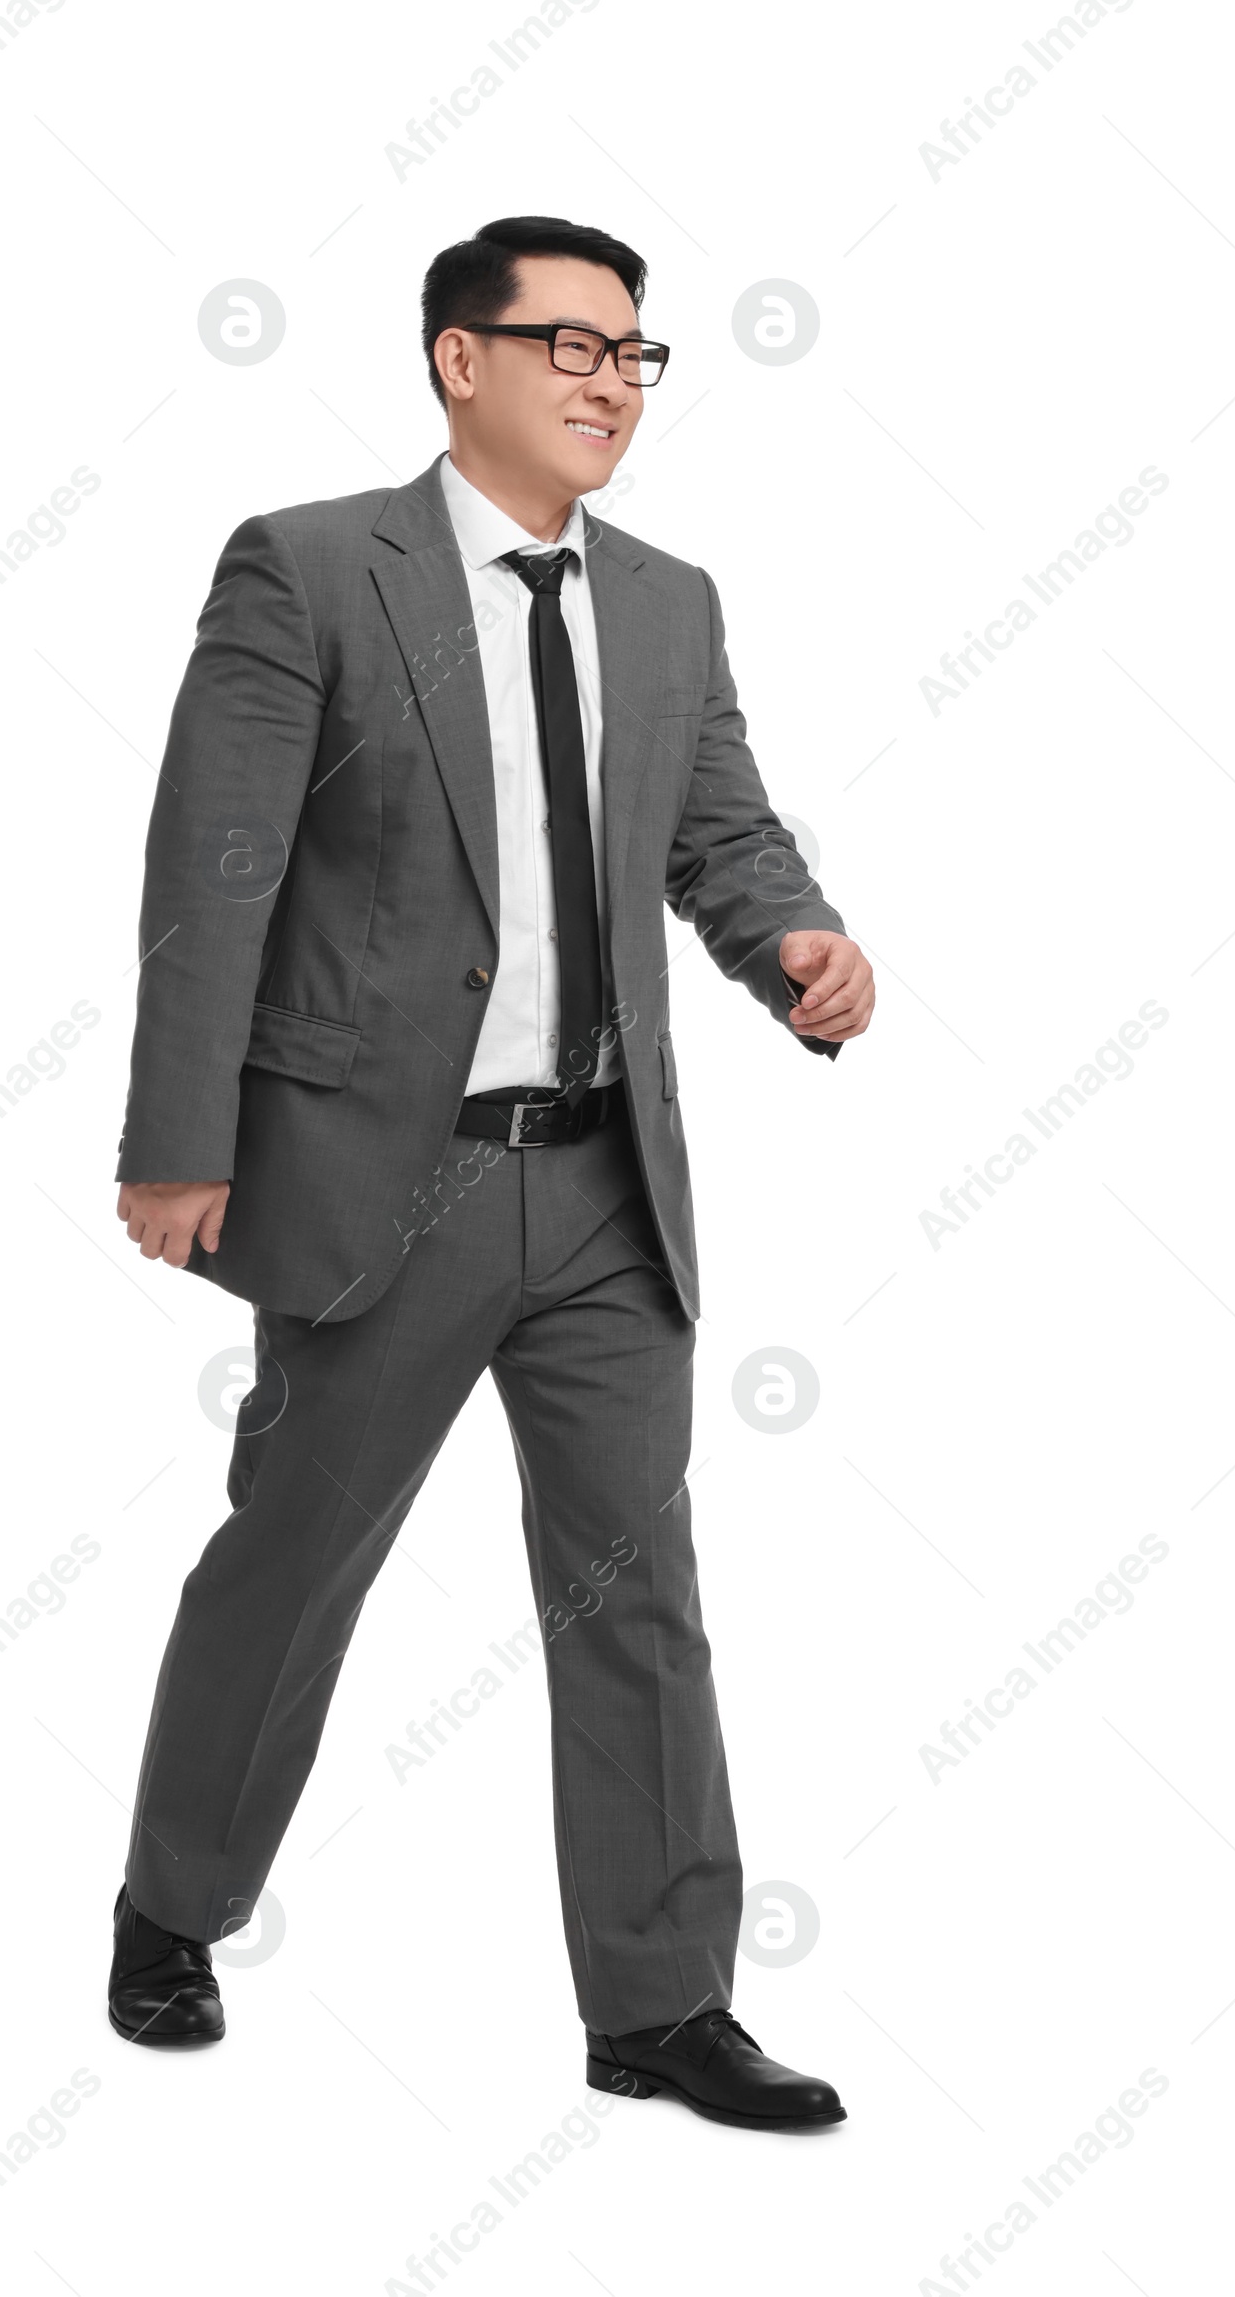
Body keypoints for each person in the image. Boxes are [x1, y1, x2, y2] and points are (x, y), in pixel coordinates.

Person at [106, 214, 875, 2131]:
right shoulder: (311, 569)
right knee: (292, 1566)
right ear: (463, 361)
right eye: (574, 345)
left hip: (610, 1184)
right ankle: (170, 1907)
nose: (616, 379)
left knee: (637, 1590)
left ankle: (662, 2002)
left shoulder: (674, 601)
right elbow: (214, 875)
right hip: (393, 1178)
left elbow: (725, 834)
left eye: (638, 351)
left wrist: (796, 943)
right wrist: (179, 1142)